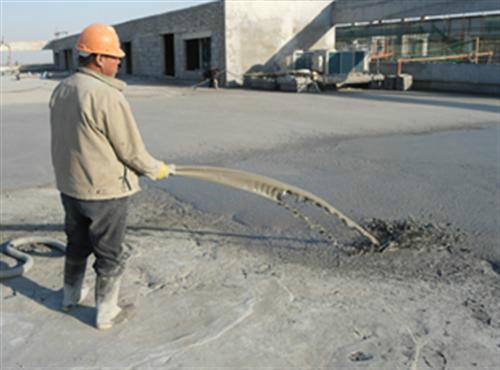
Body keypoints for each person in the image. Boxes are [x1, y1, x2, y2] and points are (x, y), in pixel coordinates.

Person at [49, 23, 173, 330]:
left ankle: (70, 296)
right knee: (109, 253)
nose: (120, 62)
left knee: (76, 243)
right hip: (104, 190)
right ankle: (106, 313)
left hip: (70, 186)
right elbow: (129, 148)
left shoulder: (63, 88)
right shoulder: (105, 95)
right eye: (115, 56)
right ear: (99, 58)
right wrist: (154, 168)